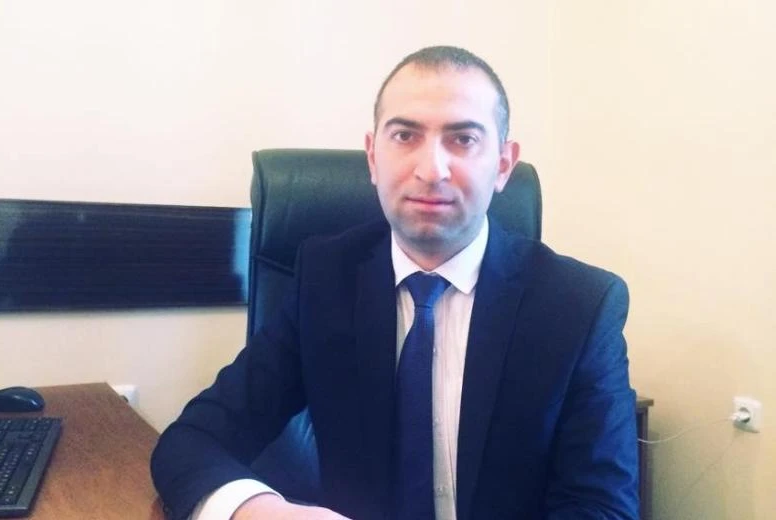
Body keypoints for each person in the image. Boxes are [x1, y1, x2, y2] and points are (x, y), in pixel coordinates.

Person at [151, 45, 639, 520]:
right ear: (372, 156)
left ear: (503, 165)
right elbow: (193, 441)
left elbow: (603, 508)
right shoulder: (325, 280)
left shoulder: (580, 307)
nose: (431, 170)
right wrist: (260, 511)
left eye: (463, 139)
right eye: (405, 135)